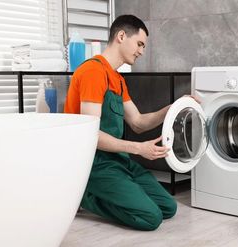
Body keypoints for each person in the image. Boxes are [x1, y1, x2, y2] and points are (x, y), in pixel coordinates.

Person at [64, 15, 177, 231]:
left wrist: (172, 107)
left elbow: (138, 122)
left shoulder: (116, 79)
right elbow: (91, 135)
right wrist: (138, 148)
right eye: (140, 44)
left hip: (118, 160)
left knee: (168, 207)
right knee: (150, 218)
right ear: (122, 36)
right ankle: (82, 196)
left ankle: (119, 190)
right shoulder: (93, 72)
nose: (141, 51)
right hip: (93, 164)